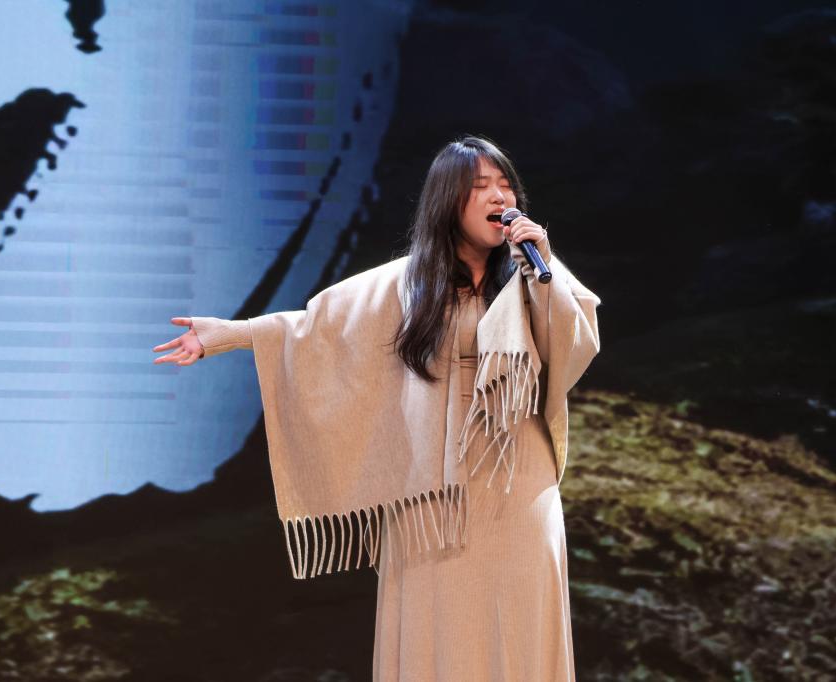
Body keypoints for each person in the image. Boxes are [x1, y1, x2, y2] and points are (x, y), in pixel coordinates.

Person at [153, 135, 600, 681]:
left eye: (505, 185)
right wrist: (228, 334)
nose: (498, 196)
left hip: (518, 482)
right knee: (437, 632)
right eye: (480, 186)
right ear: (448, 201)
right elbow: (316, 328)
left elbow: (575, 342)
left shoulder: (536, 272)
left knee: (521, 627)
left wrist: (543, 269)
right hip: (430, 496)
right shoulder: (408, 283)